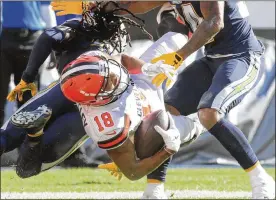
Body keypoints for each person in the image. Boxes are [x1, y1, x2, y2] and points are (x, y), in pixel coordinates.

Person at [52, 1, 276, 199]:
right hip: (210, 61)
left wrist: (179, 56)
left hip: (242, 58)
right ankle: (154, 188)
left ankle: (261, 179)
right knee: (163, 114)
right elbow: (133, 6)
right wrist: (94, 6)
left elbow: (215, 23)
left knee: (209, 113)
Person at [0, 3, 204, 199]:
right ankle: (34, 135)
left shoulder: (105, 86)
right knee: (27, 167)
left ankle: (34, 133)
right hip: (77, 94)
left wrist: (146, 68)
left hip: (73, 86)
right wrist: (164, 150)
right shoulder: (108, 119)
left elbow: (120, 59)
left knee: (14, 146)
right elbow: (132, 171)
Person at [0, 1, 56, 126]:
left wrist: (52, 42)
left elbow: (46, 9)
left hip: (32, 41)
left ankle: (24, 142)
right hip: (5, 39)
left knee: (28, 99)